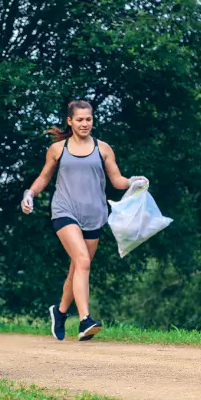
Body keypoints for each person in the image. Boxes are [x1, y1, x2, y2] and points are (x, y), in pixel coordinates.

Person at [21, 99, 147, 341]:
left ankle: (59, 313)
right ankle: (85, 321)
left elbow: (117, 180)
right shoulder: (59, 149)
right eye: (79, 119)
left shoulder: (103, 149)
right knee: (82, 260)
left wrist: (133, 182)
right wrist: (30, 194)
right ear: (70, 121)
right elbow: (44, 177)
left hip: (94, 215)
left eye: (88, 119)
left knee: (77, 267)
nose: (84, 123)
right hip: (64, 211)